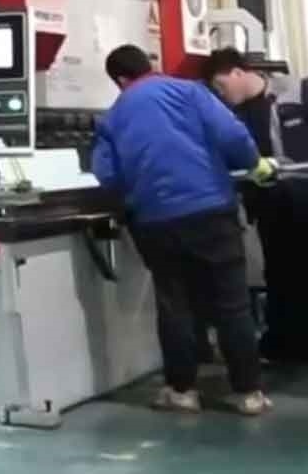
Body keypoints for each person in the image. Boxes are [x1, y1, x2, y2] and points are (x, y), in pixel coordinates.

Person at [93, 45, 274, 416]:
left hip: (156, 221)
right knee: (231, 304)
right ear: (150, 65)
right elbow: (231, 134)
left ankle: (182, 391)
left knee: (175, 304)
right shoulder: (190, 91)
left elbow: (107, 175)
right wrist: (255, 164)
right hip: (211, 211)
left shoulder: (112, 117)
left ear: (120, 80)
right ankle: (249, 393)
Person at [203, 47, 308, 369]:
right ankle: (278, 346)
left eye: (221, 85)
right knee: (278, 275)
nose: (221, 94)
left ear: (238, 72)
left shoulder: (294, 93)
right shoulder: (235, 115)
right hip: (271, 205)